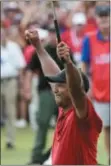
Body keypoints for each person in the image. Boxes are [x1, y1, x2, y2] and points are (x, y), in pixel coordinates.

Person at [25, 28, 102, 165]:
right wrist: (38, 47)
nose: (55, 89)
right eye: (56, 86)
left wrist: (68, 62)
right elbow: (52, 72)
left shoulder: (81, 114)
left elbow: (76, 90)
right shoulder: (65, 108)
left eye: (61, 86)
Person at [81, 5, 110, 164]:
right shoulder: (89, 39)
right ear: (97, 19)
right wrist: (87, 86)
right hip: (100, 93)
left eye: (107, 16)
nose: (105, 19)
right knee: (106, 127)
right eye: (101, 16)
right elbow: (85, 64)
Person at [1, 27, 26, 149]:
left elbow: (21, 66)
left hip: (10, 81)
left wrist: (21, 85)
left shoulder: (13, 47)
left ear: (5, 35)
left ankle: (10, 140)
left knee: (11, 111)